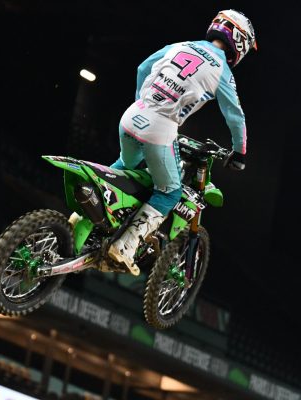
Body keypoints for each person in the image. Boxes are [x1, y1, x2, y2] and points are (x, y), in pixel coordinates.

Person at [107, 9, 257, 273]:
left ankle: (85, 217)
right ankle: (125, 246)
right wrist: (239, 152)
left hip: (132, 115)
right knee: (170, 191)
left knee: (126, 167)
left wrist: (143, 102)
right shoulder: (222, 70)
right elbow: (235, 116)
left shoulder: (181, 45)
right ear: (240, 42)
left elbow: (142, 68)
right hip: (160, 128)